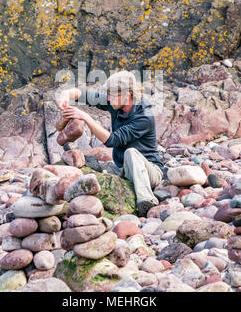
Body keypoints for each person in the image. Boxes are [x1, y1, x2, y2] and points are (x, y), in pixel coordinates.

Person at [55, 71, 165, 217]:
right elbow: (83, 95)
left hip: (149, 171)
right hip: (122, 168)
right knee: (89, 163)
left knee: (130, 152)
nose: (108, 98)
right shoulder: (115, 102)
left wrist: (85, 117)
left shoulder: (144, 116)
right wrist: (65, 95)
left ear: (127, 95)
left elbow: (112, 140)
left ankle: (146, 201)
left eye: (112, 95)